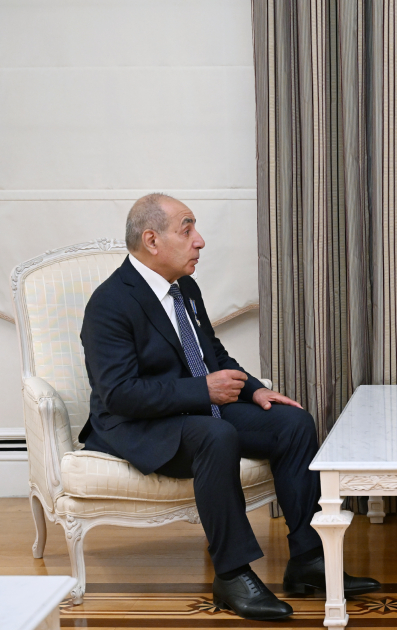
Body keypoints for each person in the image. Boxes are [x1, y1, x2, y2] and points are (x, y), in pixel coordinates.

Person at [79, 193, 380, 620]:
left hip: (190, 410)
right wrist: (203, 391)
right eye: (187, 229)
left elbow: (212, 354)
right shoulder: (110, 303)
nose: (199, 240)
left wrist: (254, 390)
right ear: (152, 240)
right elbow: (119, 394)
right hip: (137, 423)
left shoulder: (184, 288)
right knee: (215, 435)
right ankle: (232, 574)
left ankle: (308, 560)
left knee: (293, 423)